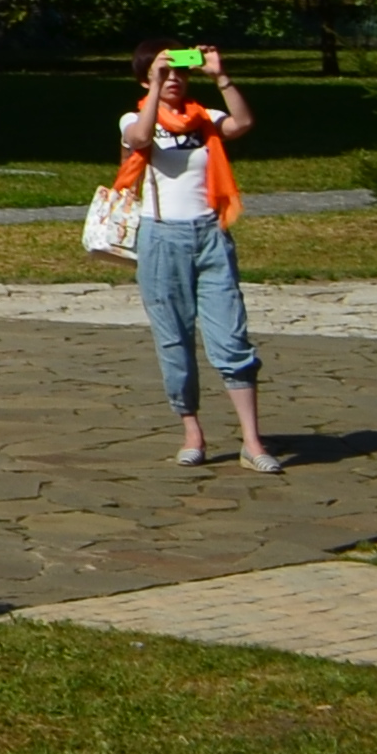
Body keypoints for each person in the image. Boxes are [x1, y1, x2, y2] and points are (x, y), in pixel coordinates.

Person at [120, 47, 279, 473]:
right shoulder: (133, 118)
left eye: (178, 74)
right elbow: (139, 139)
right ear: (145, 79)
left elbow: (242, 123)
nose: (174, 79)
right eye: (163, 73)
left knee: (232, 337)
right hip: (161, 238)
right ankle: (192, 432)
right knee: (174, 339)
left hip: (210, 234)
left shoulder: (204, 116)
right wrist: (155, 84)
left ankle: (252, 441)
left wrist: (220, 75)